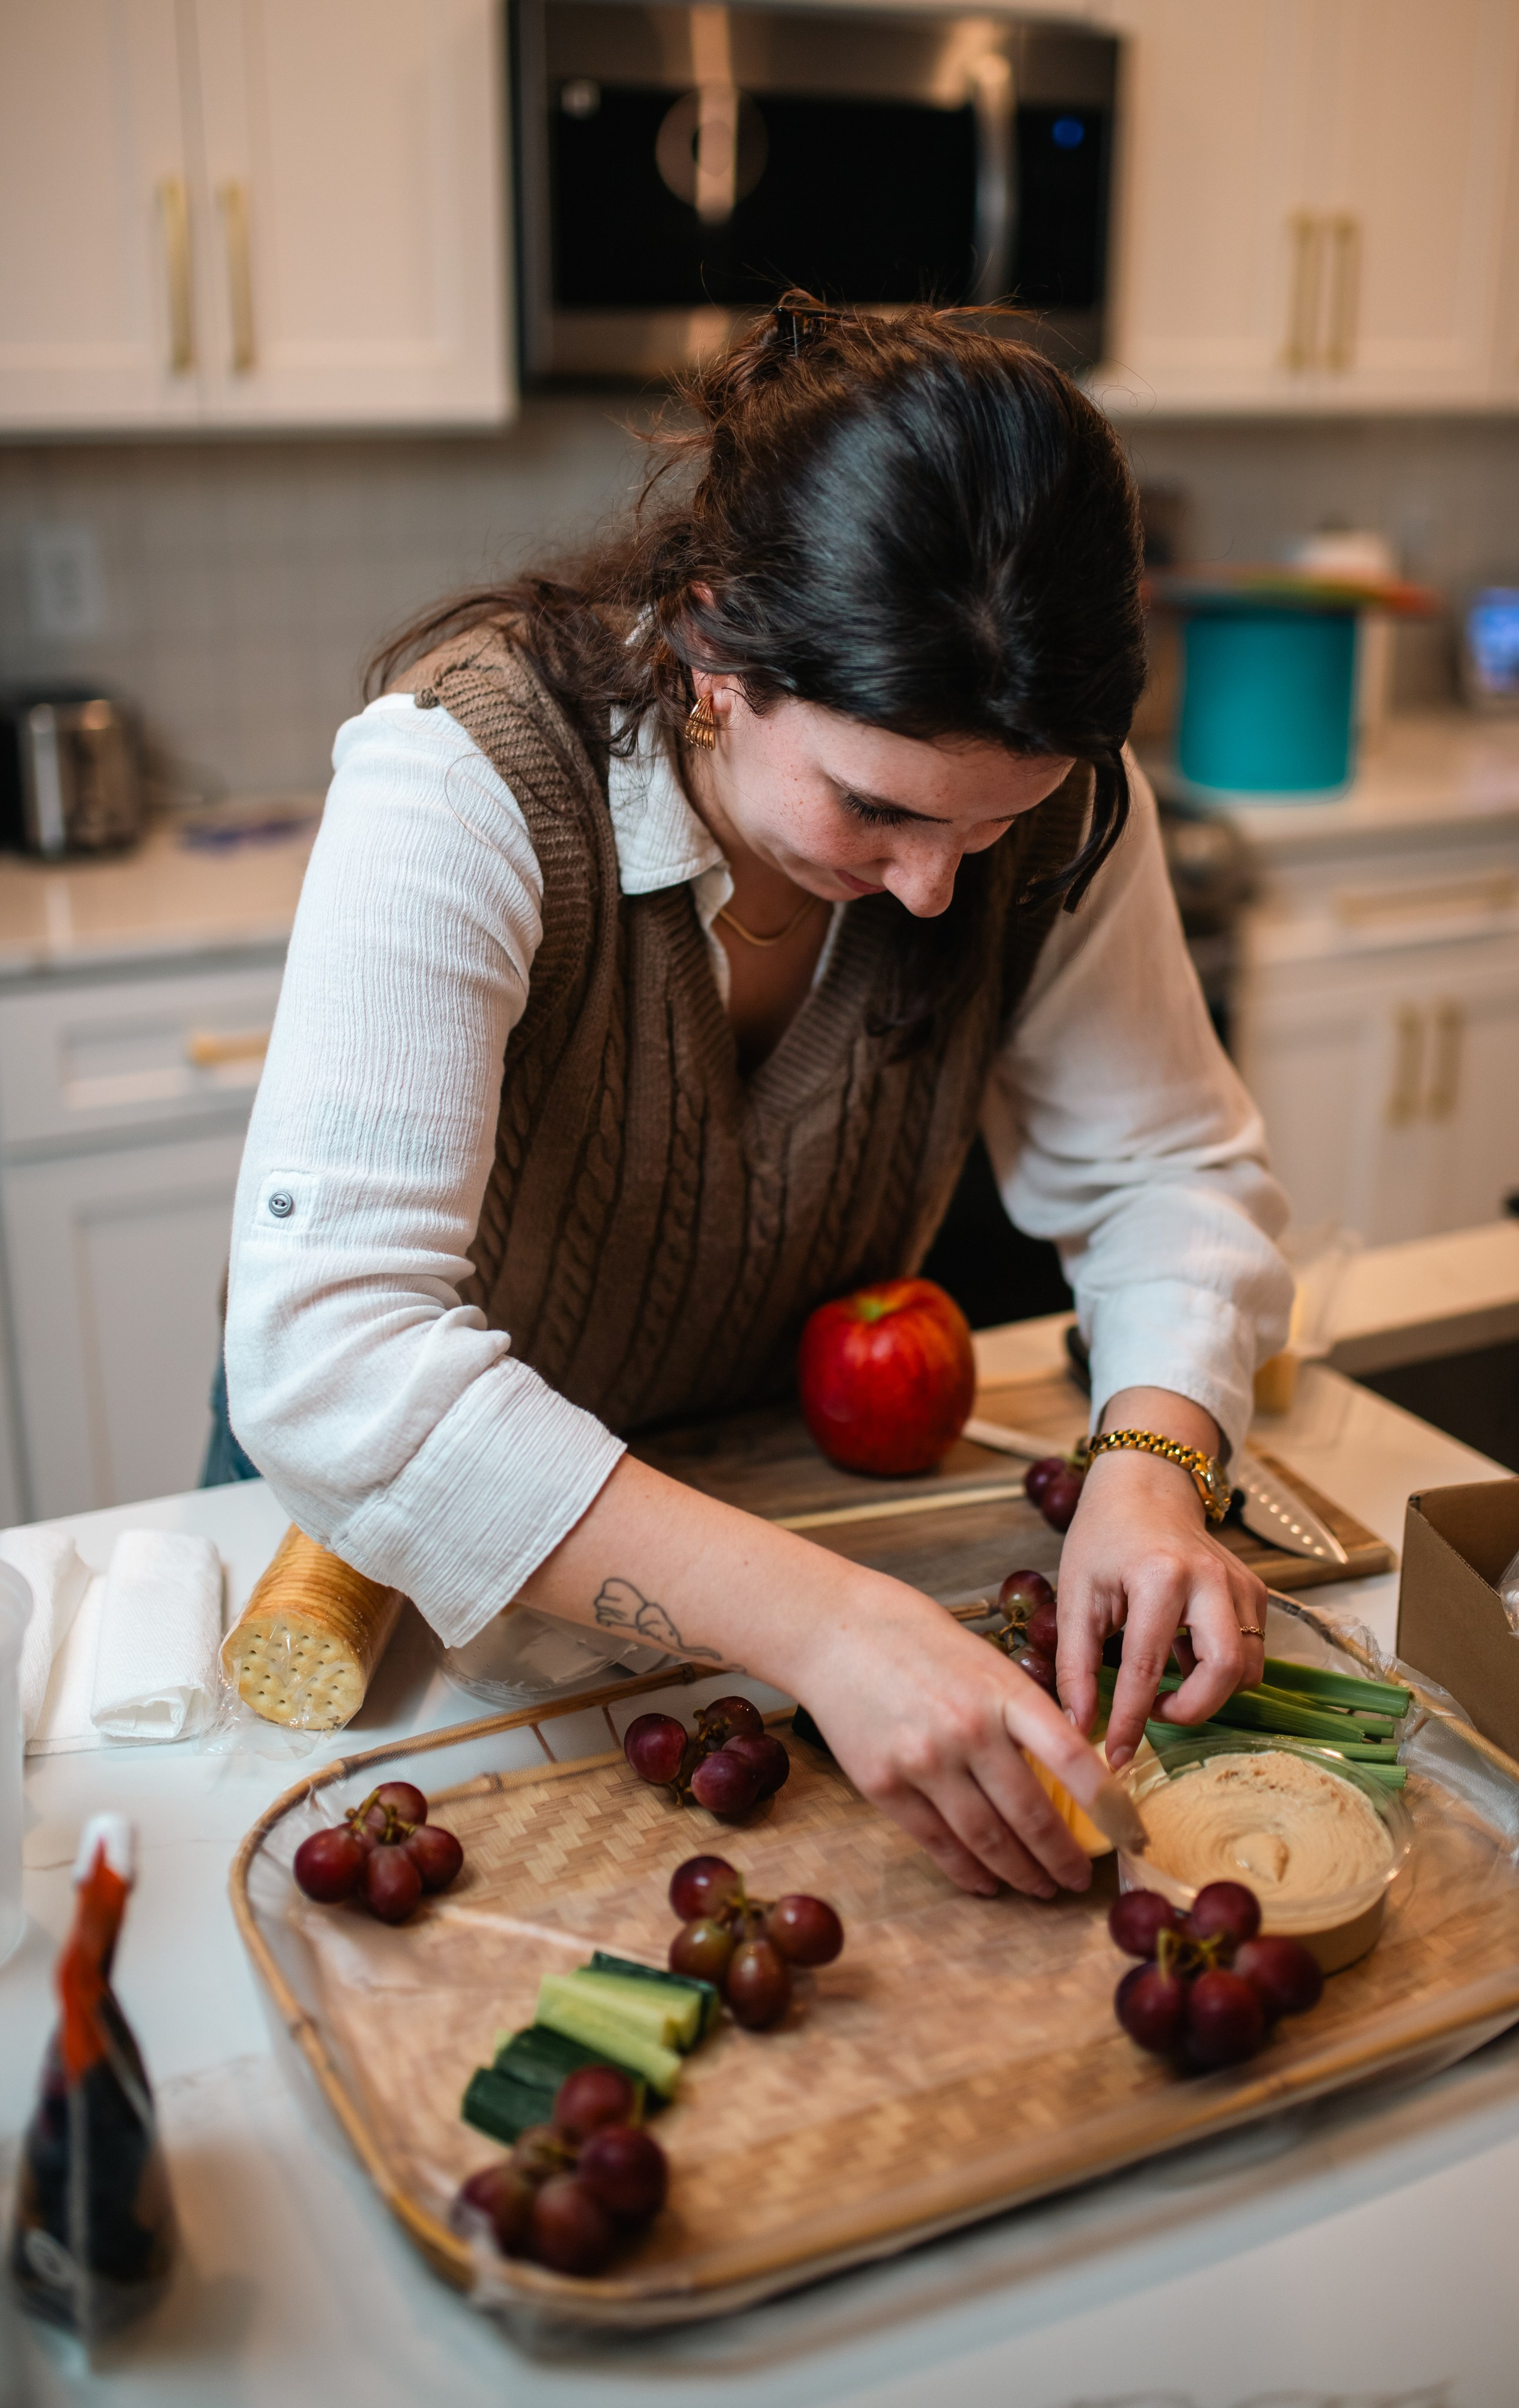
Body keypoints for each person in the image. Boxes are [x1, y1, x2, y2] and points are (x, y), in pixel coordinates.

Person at [221, 299, 1291, 1902]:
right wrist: (833, 1626)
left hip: (750, 1488)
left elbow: (1166, 1169)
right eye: (873, 808)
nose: (935, 891)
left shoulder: (1059, 802)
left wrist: (1153, 1469)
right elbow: (330, 1356)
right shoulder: (461, 776)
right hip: (427, 1540)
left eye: (988, 827)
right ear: (713, 646)